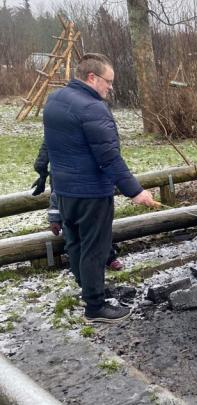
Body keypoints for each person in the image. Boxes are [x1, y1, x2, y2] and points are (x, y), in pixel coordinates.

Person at [43, 53, 158, 323]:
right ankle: (95, 308)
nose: (110, 88)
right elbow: (109, 158)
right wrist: (136, 191)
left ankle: (90, 291)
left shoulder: (55, 100)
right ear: (92, 78)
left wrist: (42, 169)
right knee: (95, 248)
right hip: (91, 192)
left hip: (65, 192)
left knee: (77, 245)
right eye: (108, 81)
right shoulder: (92, 108)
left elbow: (48, 144)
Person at [32, 142, 124, 271]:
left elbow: (106, 146)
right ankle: (78, 262)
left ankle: (108, 257)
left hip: (89, 174)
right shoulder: (57, 125)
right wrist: (41, 172)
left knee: (97, 222)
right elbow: (47, 143)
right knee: (70, 223)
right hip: (63, 175)